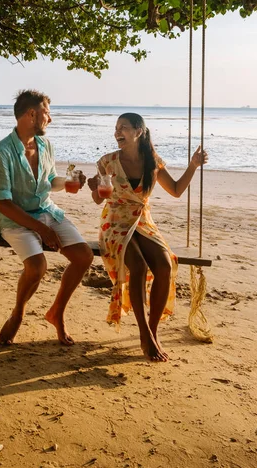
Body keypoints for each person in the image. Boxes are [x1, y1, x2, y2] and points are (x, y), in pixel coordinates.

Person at [87, 113, 208, 362]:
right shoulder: (107, 162)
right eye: (116, 128)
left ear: (139, 131)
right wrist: (94, 189)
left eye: (123, 127)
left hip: (142, 220)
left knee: (165, 264)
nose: (117, 132)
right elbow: (99, 199)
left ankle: (152, 332)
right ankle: (145, 335)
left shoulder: (152, 161)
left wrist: (193, 166)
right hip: (115, 221)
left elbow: (175, 190)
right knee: (139, 266)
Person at [0, 89, 94, 346]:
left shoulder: (46, 145)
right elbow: (3, 204)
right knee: (37, 268)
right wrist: (41, 230)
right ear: (32, 114)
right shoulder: (1, 152)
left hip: (47, 211)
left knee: (84, 256)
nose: (51, 119)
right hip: (16, 219)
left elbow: (49, 182)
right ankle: (18, 312)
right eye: (47, 113)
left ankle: (56, 312)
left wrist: (69, 182)